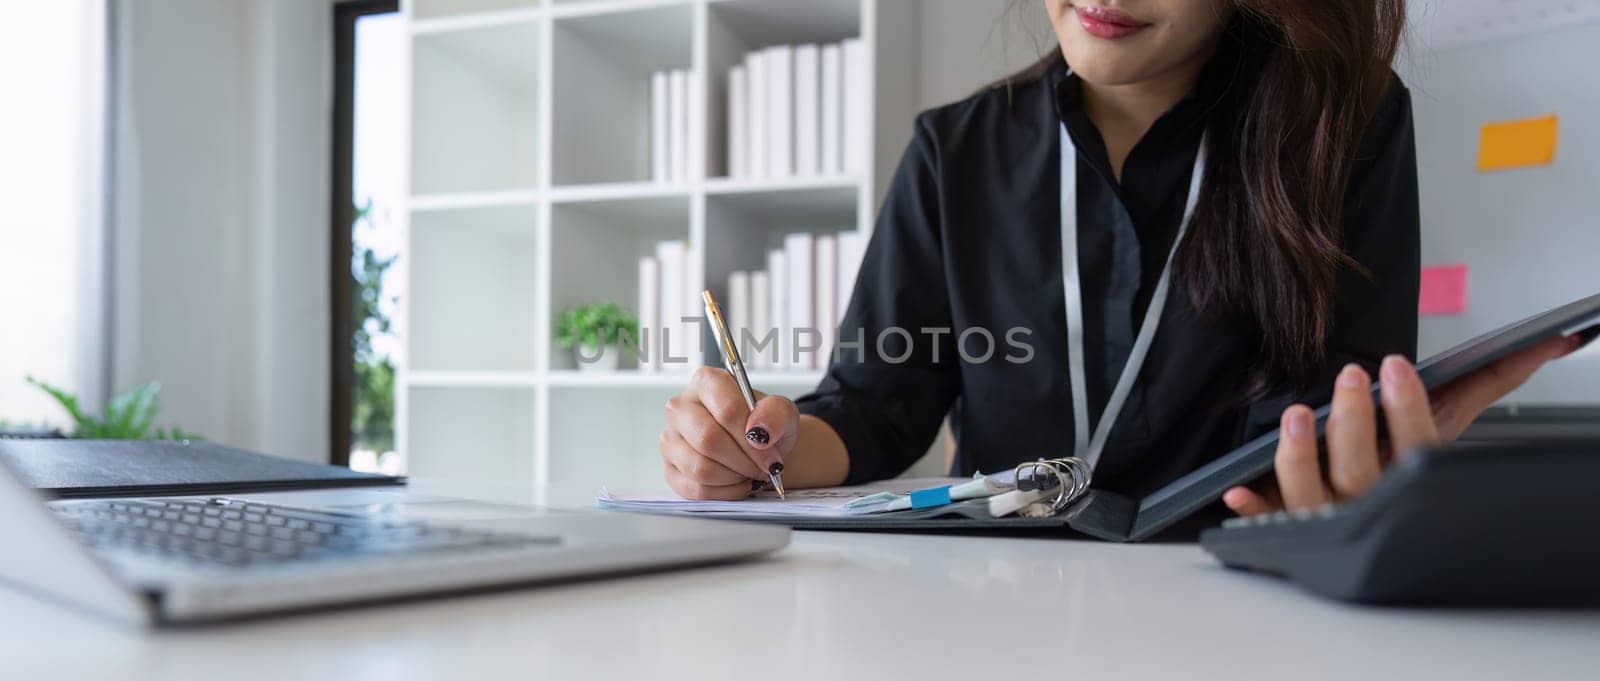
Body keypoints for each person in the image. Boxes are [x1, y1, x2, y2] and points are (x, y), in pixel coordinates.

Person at [658, 0, 1584, 514]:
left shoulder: (1346, 127)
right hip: (984, 605)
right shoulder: (955, 150)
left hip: (1233, 605)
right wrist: (760, 449)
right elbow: (874, 407)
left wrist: (1357, 464)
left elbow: (1309, 429)